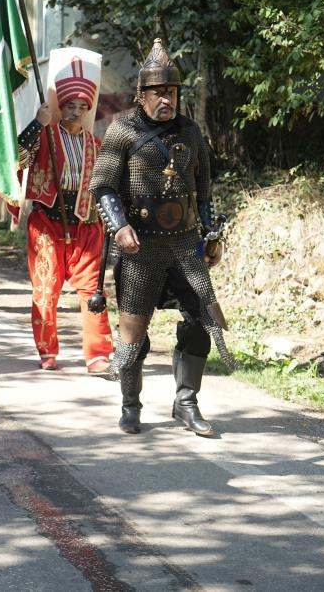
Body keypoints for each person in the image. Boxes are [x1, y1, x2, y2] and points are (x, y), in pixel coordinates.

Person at [90, 38, 233, 437]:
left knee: (199, 322)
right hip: (141, 246)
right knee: (134, 331)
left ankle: (186, 402)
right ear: (142, 95)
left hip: (186, 244)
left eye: (170, 92)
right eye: (157, 93)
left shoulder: (190, 132)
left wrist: (211, 234)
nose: (165, 100)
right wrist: (119, 226)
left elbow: (202, 190)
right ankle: (130, 405)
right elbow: (101, 186)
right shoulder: (122, 130)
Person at [16, 50, 114, 374]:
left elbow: (107, 182)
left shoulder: (96, 144)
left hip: (85, 224)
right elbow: (16, 156)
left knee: (92, 290)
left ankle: (97, 354)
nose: (75, 111)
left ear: (88, 109)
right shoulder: (45, 134)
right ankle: (47, 350)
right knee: (46, 288)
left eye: (81, 107)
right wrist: (36, 123)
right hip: (47, 223)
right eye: (69, 105)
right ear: (60, 107)